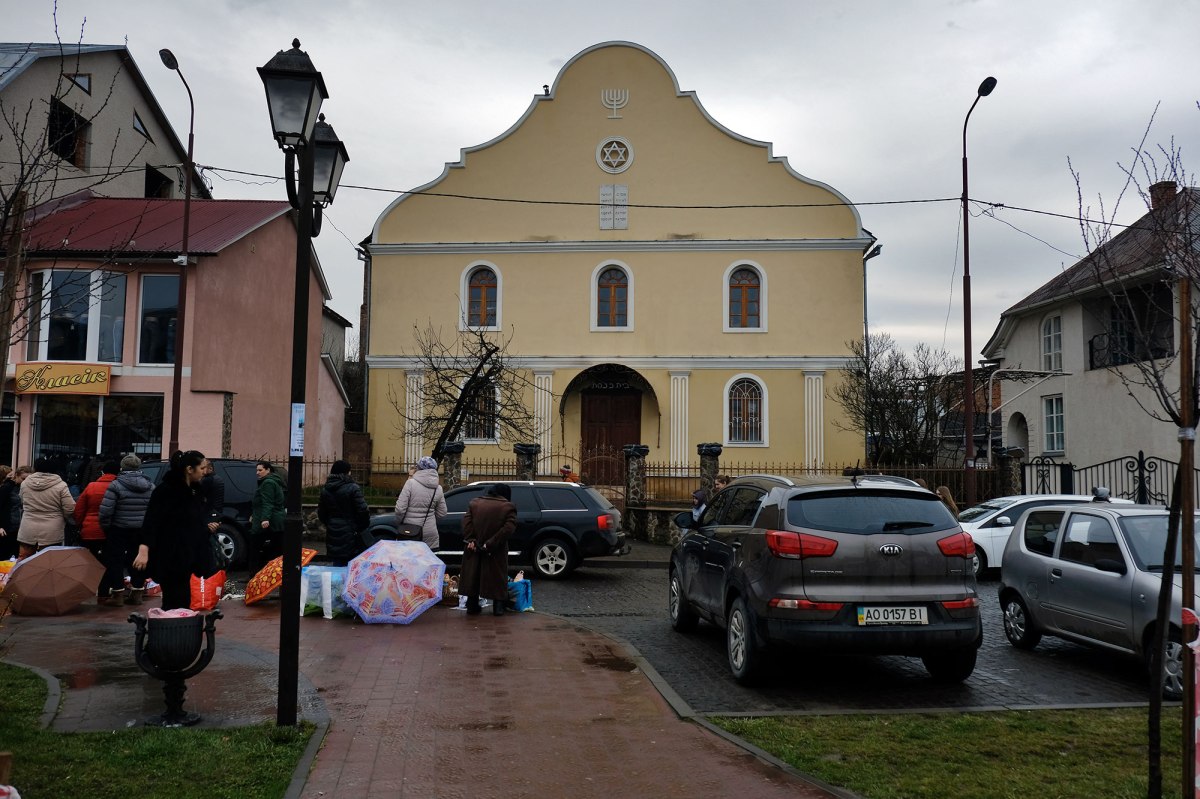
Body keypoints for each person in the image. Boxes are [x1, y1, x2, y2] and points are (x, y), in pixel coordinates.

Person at [133, 450, 215, 611]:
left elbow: (195, 520)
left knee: (184, 597)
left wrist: (206, 529)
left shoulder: (195, 490)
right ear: (189, 469)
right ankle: (172, 624)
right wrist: (144, 549)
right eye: (202, 468)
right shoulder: (166, 490)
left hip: (190, 553)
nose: (205, 472)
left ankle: (180, 622)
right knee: (174, 598)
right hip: (170, 553)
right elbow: (151, 521)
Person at [99, 454, 155, 605]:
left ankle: (117, 594)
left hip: (119, 528)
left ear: (122, 468)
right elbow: (154, 510)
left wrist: (106, 527)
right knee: (138, 560)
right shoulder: (150, 486)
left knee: (115, 560)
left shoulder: (115, 485)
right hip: (141, 530)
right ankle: (137, 592)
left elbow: (106, 511)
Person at [460, 483, 517, 616]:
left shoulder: (474, 503)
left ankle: (472, 605)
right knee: (497, 575)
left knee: (473, 574)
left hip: (474, 547)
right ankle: (498, 608)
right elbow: (509, 528)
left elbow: (466, 523)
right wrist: (491, 543)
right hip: (496, 549)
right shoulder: (508, 507)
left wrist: (471, 540)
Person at [73, 460, 119, 605]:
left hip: (89, 532)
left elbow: (79, 510)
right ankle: (104, 594)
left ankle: (85, 592)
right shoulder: (119, 487)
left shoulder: (91, 486)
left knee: (90, 563)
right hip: (110, 532)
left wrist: (80, 524)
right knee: (107, 563)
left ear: (102, 472)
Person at [16, 457, 75, 559]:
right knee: (49, 561)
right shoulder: (61, 485)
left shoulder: (25, 484)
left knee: (24, 560)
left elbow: (22, 501)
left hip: (28, 528)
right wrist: (64, 518)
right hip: (52, 530)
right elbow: (70, 508)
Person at [318, 459, 370, 566]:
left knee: (337, 565)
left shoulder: (326, 489)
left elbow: (321, 513)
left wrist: (330, 523)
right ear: (347, 472)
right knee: (352, 566)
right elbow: (363, 511)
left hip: (333, 530)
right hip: (351, 532)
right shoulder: (353, 488)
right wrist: (359, 527)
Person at [394, 455, 447, 550]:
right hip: (430, 533)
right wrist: (430, 520)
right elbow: (442, 513)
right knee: (428, 559)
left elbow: (400, 510)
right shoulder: (438, 488)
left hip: (410, 532)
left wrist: (400, 522)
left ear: (419, 468)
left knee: (409, 558)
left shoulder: (410, 484)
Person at [250, 460, 287, 573]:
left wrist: (265, 518)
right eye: (257, 470)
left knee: (256, 547)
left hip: (270, 520)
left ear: (268, 470)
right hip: (275, 519)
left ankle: (255, 573)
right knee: (276, 548)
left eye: (260, 470)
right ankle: (274, 573)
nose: (257, 472)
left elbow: (268, 502)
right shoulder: (272, 481)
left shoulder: (268, 483)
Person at [199, 459, 225, 534]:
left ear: (210, 468)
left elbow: (200, 496)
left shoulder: (208, 480)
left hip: (209, 513)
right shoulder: (218, 478)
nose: (202, 471)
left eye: (203, 468)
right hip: (217, 512)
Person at [0, 465, 19, 561]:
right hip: (5, 527)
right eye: (9, 476)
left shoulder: (10, 488)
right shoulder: (6, 488)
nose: (12, 478)